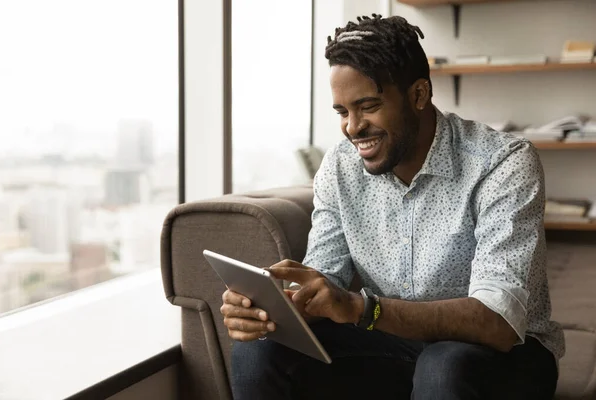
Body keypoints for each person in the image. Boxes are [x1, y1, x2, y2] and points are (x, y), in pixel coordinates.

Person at [220, 14, 564, 400]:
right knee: (259, 349)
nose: (352, 127)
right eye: (342, 112)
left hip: (507, 356)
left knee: (443, 366)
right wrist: (273, 309)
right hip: (392, 345)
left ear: (419, 95)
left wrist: (362, 310)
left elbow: (499, 321)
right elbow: (325, 282)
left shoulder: (503, 161)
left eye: (367, 106)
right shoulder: (339, 167)